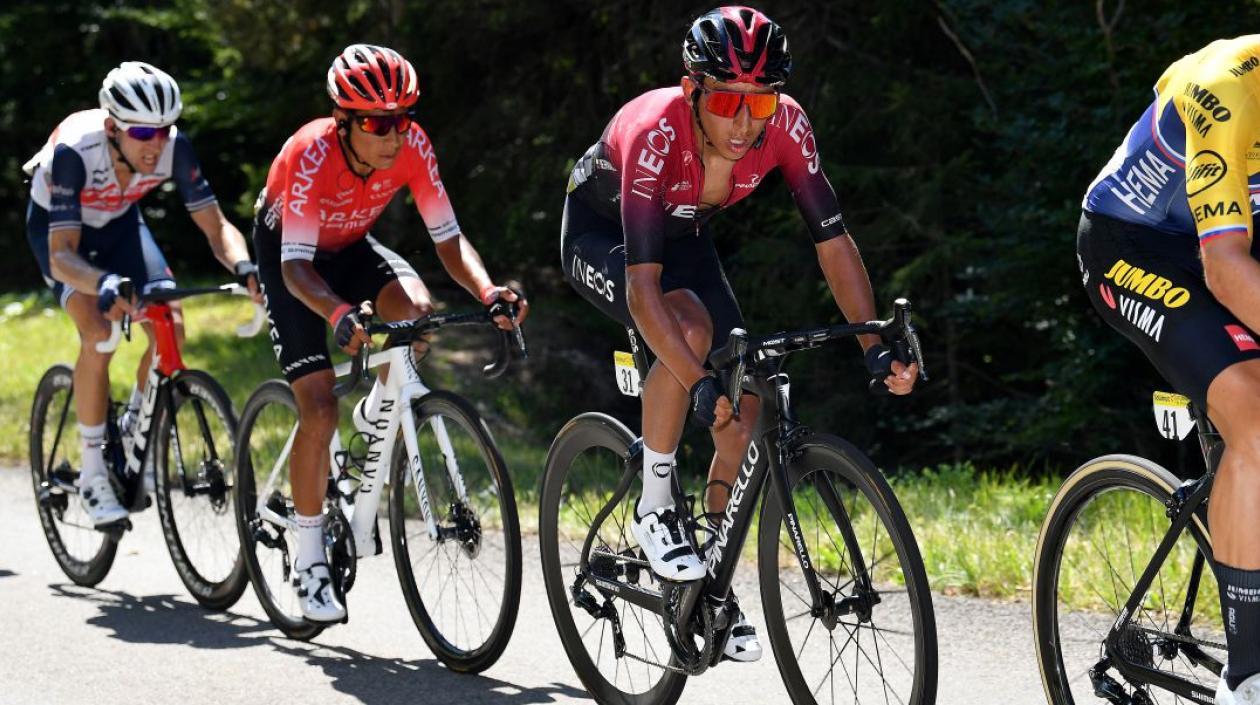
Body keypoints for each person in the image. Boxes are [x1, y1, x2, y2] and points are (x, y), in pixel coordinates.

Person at [559, 6, 918, 662]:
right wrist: (695, 380)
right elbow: (644, 292)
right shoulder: (654, 132)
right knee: (688, 329)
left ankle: (710, 592)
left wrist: (873, 344)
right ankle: (657, 503)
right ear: (693, 90)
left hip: (686, 231)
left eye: (763, 101)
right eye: (727, 100)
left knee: (745, 410)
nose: (746, 121)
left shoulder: (786, 126)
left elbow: (833, 242)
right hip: (602, 234)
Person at [253, 44, 527, 623]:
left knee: (416, 313)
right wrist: (337, 315)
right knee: (319, 407)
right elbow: (296, 270)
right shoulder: (310, 155)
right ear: (343, 121)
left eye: (401, 120)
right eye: (378, 124)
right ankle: (308, 559)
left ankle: (376, 412)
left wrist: (487, 292)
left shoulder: (414, 147)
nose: (393, 136)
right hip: (292, 259)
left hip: (350, 246)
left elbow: (448, 241)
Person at [1076, 35, 1260, 705]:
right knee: (1254, 419)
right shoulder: (1227, 88)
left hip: (1235, 235)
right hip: (1137, 245)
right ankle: (1247, 678)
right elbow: (1225, 268)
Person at [23, 61, 259, 528]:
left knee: (171, 321)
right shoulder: (75, 151)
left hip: (118, 225)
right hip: (62, 235)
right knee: (101, 331)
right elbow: (62, 257)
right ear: (112, 128)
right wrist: (104, 283)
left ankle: (134, 429)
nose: (157, 144)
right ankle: (92, 473)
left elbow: (216, 228)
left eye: (165, 131)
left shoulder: (174, 149)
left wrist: (245, 267)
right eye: (143, 134)